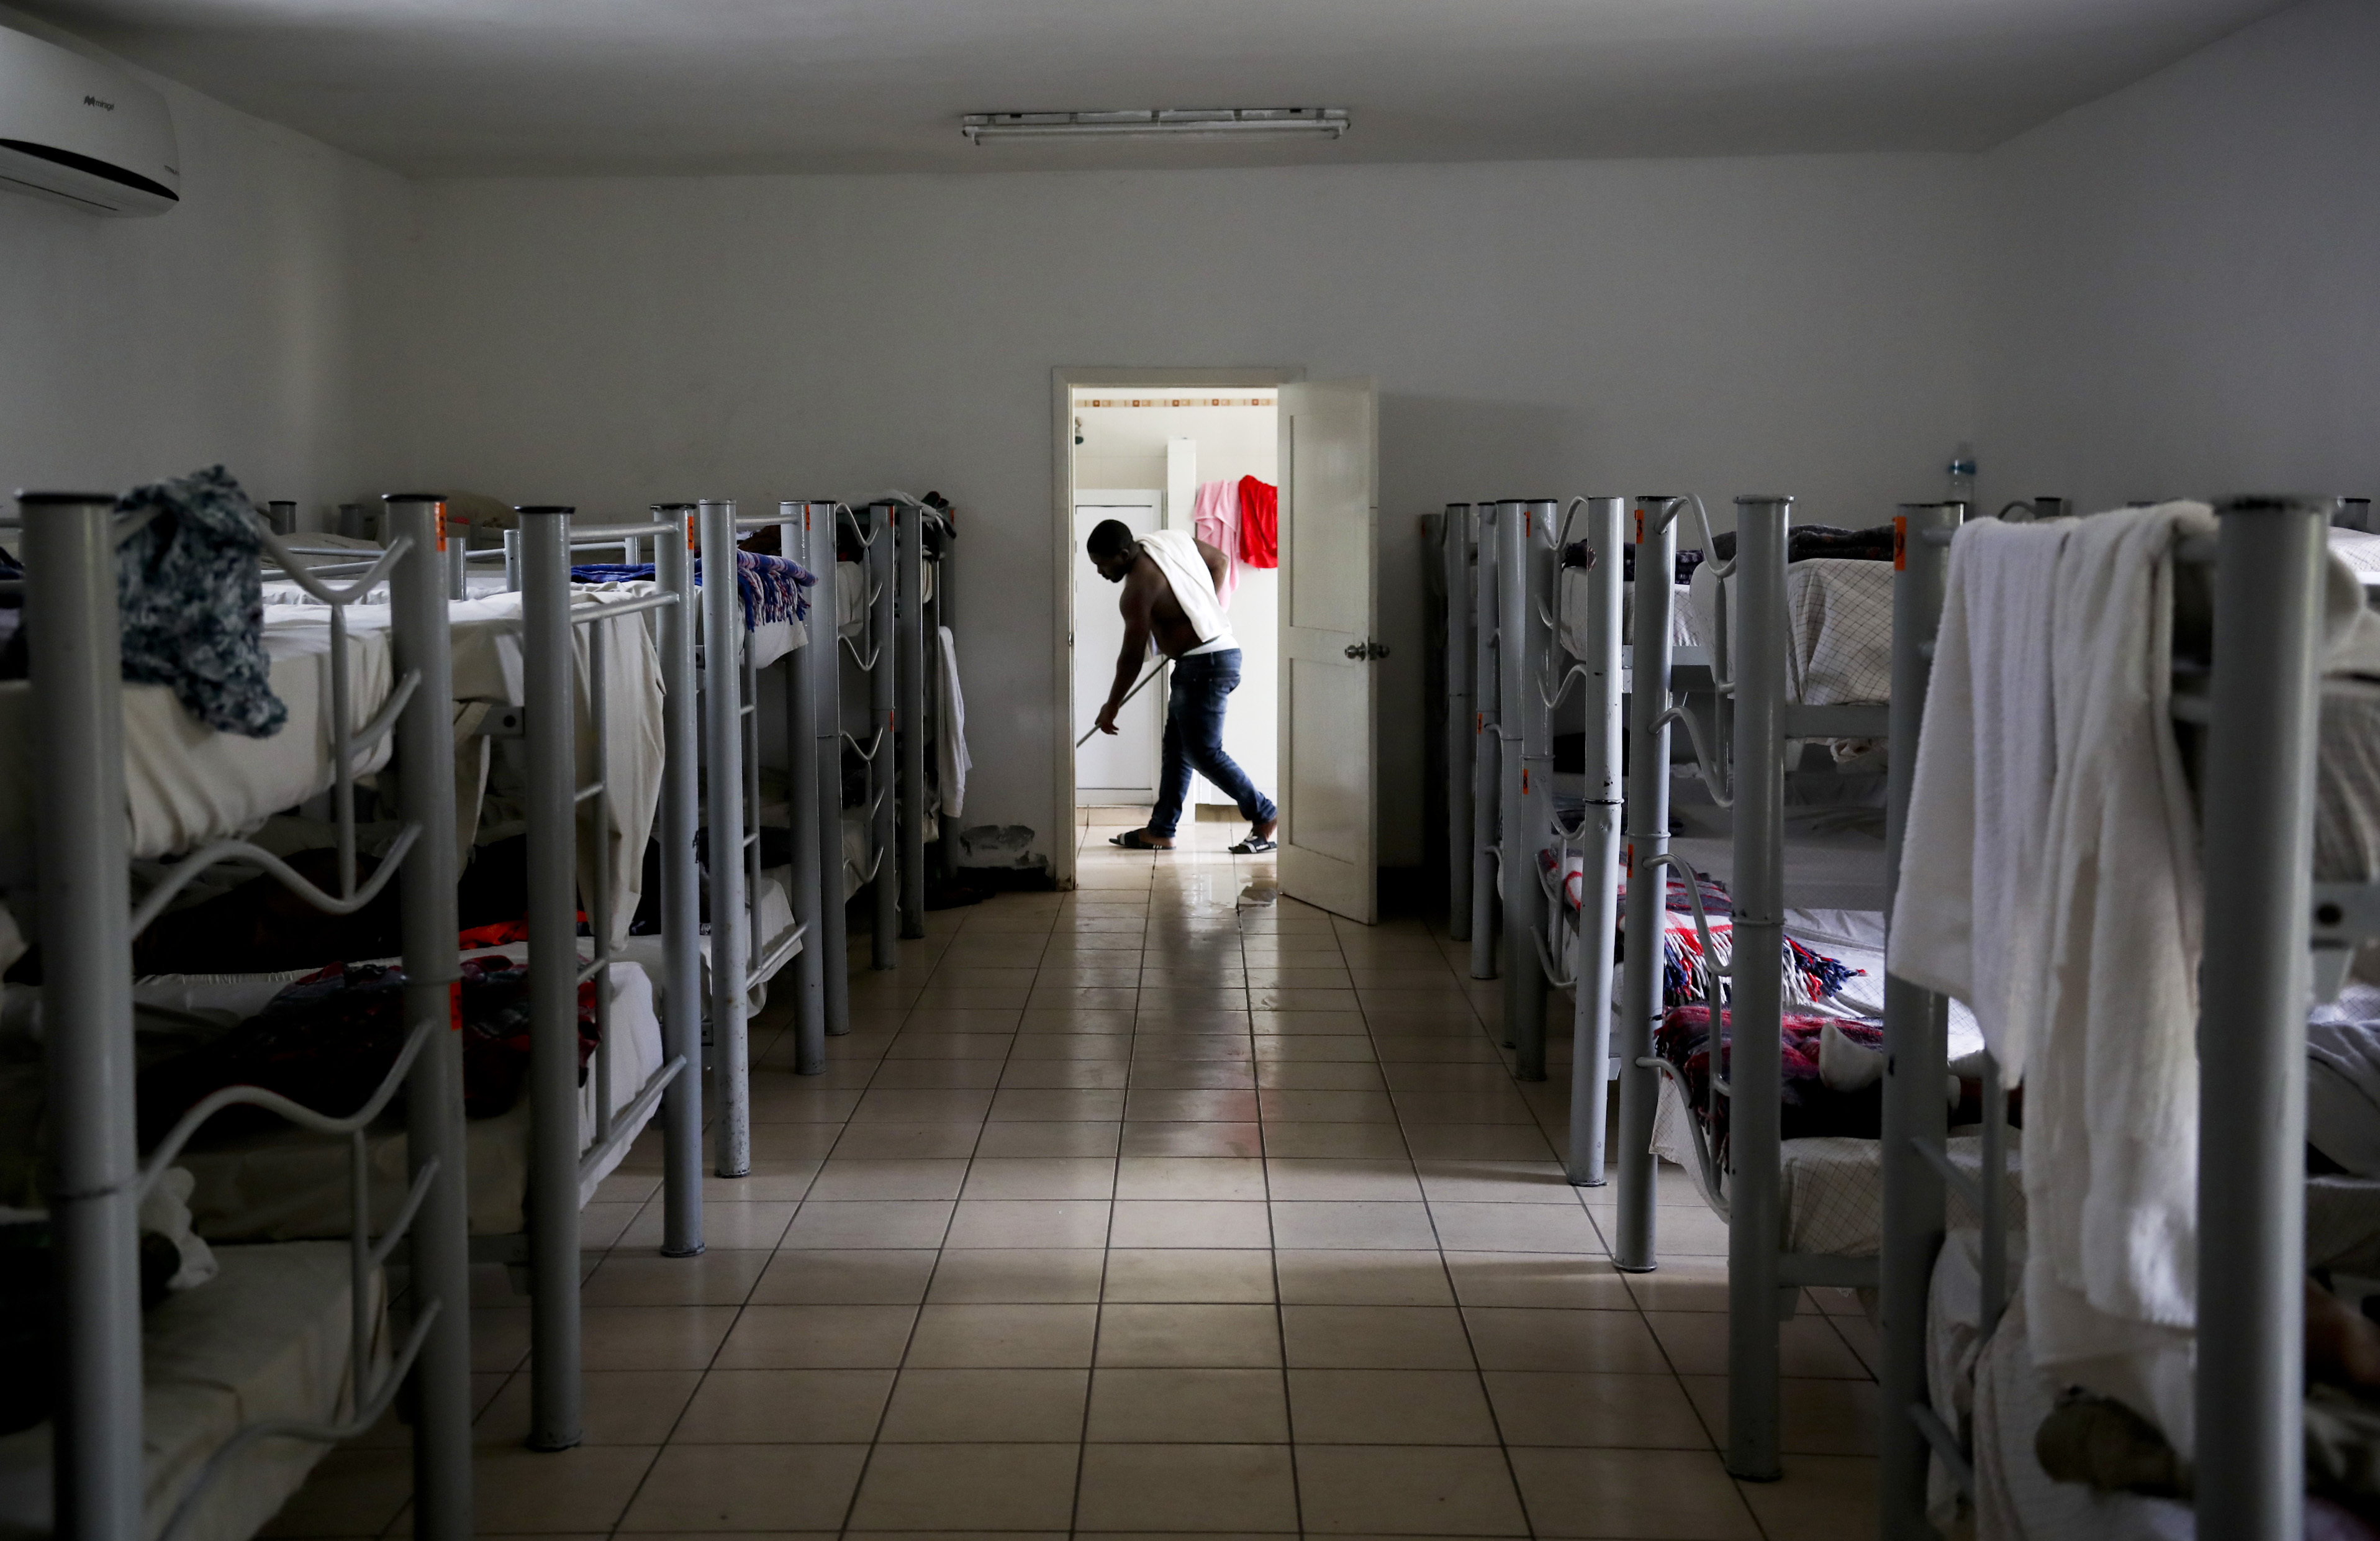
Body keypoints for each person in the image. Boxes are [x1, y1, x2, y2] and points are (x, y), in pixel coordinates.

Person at [1087, 519, 1278, 853]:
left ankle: (1264, 814)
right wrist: (1207, 613)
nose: (1100, 573)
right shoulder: (1168, 541)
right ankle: (1161, 829)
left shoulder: (1137, 589)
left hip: (1205, 664)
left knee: (1203, 753)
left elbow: (1131, 656)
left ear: (1122, 554)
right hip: (1212, 657)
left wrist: (1112, 705)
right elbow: (1220, 560)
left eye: (1102, 564)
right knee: (1177, 750)